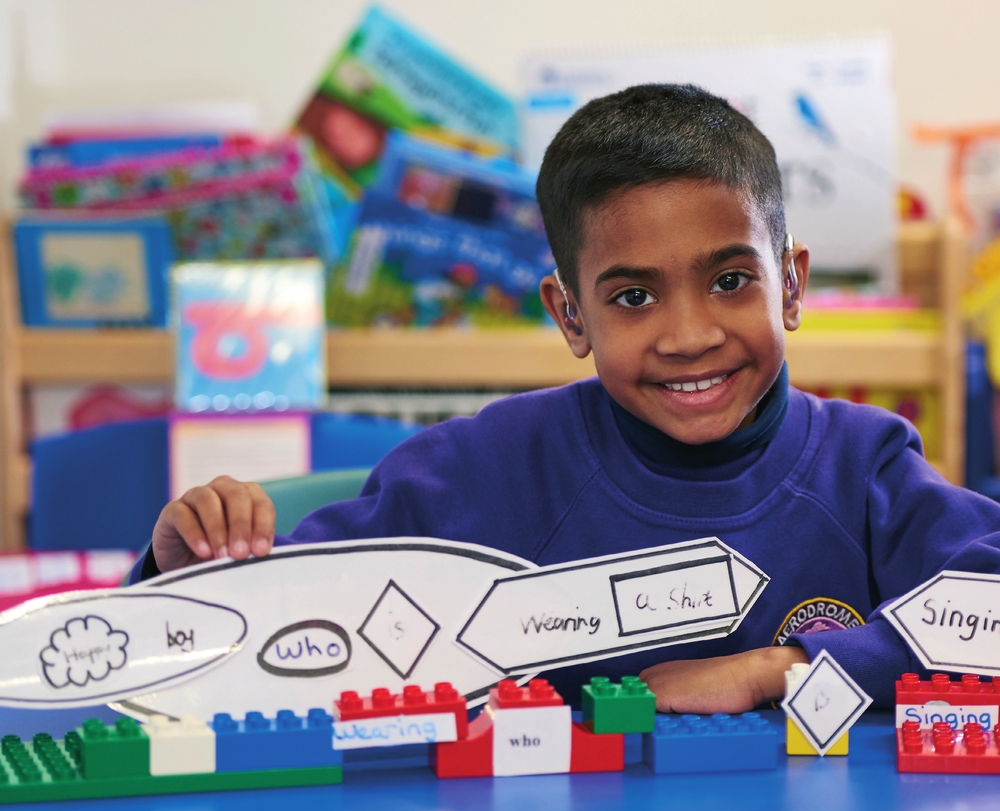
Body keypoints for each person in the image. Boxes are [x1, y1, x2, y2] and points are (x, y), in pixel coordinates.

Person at [133, 83, 1000, 711]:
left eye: (732, 280)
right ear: (570, 314)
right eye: (632, 298)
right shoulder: (480, 469)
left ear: (792, 285)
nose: (689, 334)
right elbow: (282, 609)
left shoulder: (866, 465)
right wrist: (186, 564)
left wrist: (780, 668)